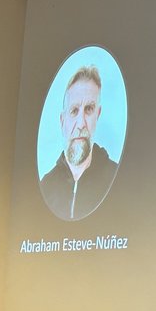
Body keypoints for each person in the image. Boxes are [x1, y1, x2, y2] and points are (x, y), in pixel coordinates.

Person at [40, 65, 119, 221]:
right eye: (74, 110)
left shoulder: (116, 178)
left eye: (88, 109)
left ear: (97, 115)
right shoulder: (45, 187)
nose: (81, 123)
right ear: (62, 121)